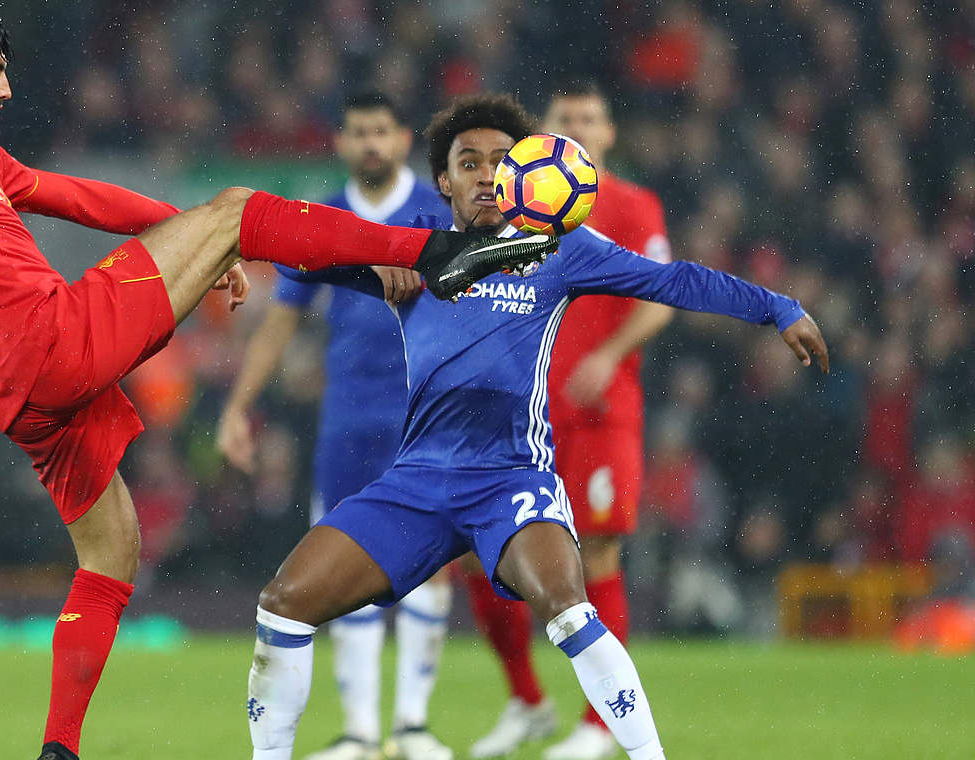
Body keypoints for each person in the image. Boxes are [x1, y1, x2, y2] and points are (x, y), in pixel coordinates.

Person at [0, 8, 557, 760]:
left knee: (112, 554)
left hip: (29, 398)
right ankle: (431, 254)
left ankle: (59, 749)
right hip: (54, 342)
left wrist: (190, 232)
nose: (8, 89)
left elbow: (78, 198)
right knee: (243, 208)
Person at [244, 92, 829, 760]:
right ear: (444, 181)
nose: (487, 174)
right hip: (417, 484)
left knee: (567, 605)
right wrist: (233, 258)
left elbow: (672, 281)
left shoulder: (560, 248)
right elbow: (302, 246)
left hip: (509, 480)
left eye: (502, 160)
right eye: (470, 162)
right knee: (281, 603)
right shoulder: (414, 252)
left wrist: (775, 306)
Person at [219, 91, 453, 760]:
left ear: (402, 136)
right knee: (343, 563)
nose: (371, 142)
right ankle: (359, 731)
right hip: (347, 418)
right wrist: (240, 405)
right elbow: (283, 317)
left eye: (382, 130)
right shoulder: (322, 215)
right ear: (343, 142)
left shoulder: (436, 214)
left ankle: (410, 724)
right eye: (359, 132)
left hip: (423, 413)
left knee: (430, 564)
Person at [465, 81, 674, 760]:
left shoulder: (634, 206)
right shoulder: (518, 212)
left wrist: (609, 354)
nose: (579, 128)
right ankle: (527, 699)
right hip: (519, 414)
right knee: (474, 553)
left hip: (599, 414)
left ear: (609, 133)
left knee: (598, 554)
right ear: (542, 134)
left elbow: (663, 298)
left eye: (590, 117)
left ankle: (597, 724)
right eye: (566, 119)